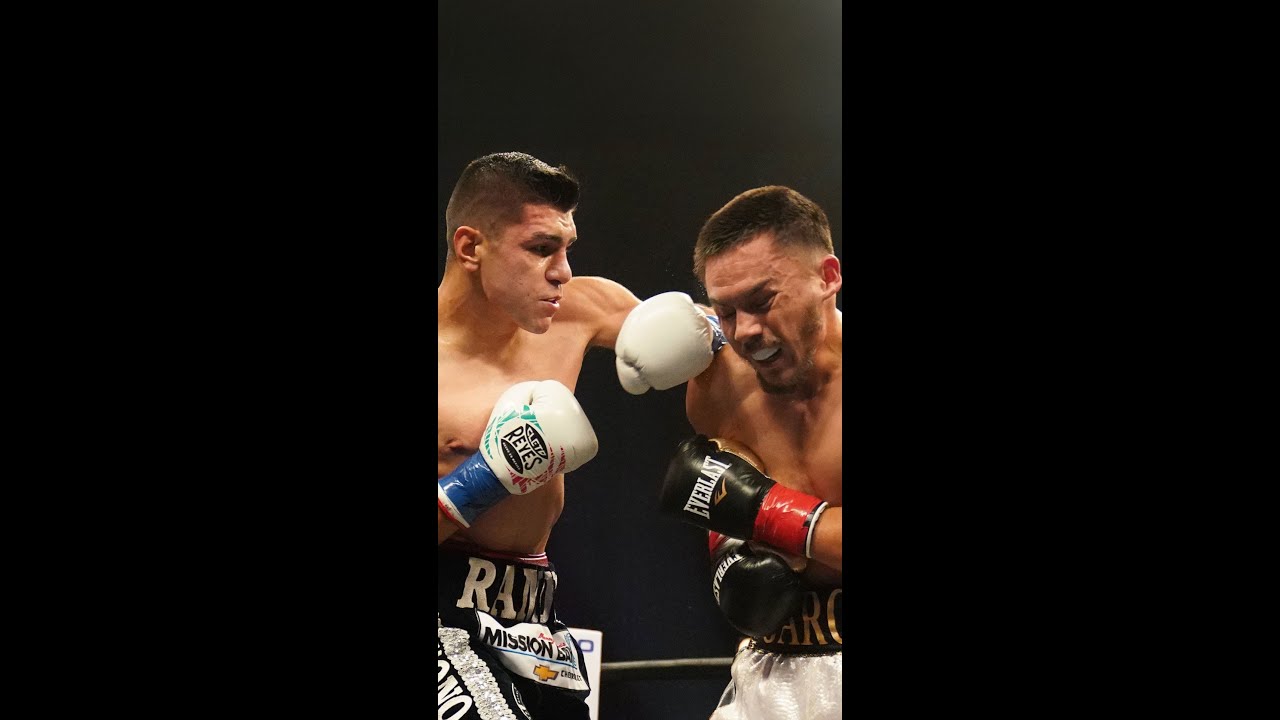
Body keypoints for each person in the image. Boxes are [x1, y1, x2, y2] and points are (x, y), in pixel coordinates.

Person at [613, 185, 843, 719]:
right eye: (726, 311)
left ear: (828, 277)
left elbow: (749, 502)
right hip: (770, 668)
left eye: (763, 302)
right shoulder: (719, 388)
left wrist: (764, 511)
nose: (747, 332)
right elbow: (726, 491)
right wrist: (730, 554)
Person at [437, 152, 639, 720]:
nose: (563, 271)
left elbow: (721, 341)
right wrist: (485, 478)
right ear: (470, 248)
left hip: (537, 617)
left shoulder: (579, 310)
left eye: (567, 247)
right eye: (541, 248)